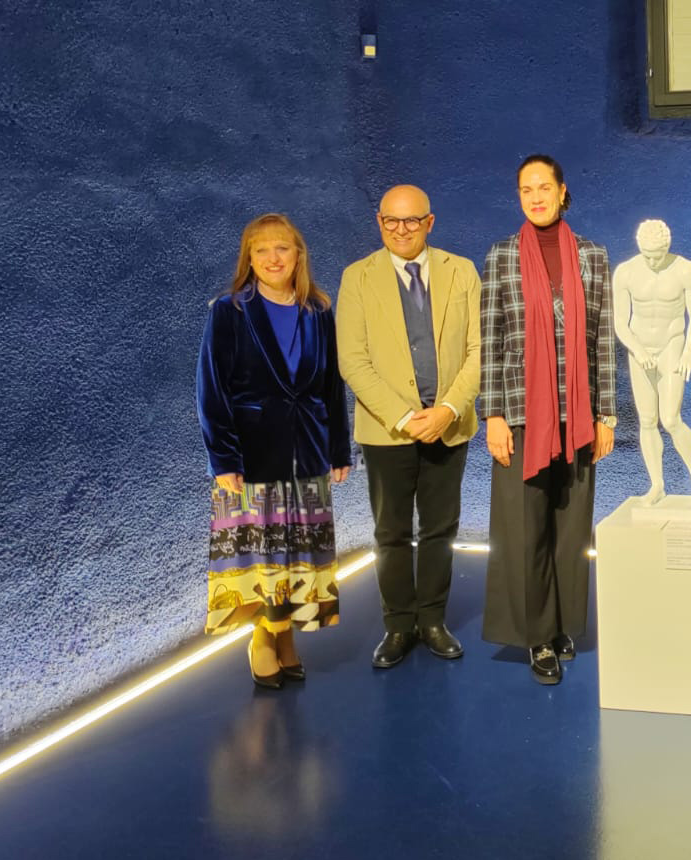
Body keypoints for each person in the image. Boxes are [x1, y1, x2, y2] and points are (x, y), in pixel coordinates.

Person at [197, 213, 352, 689]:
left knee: (296, 554)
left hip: (307, 450)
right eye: (260, 250)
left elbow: (331, 386)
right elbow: (211, 389)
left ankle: (284, 636)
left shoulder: (318, 311)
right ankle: (265, 637)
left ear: (298, 254)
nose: (272, 258)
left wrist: (338, 448)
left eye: (281, 247)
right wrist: (223, 459)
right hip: (251, 458)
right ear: (248, 259)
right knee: (263, 557)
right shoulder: (229, 311)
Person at [480, 155, 617, 685]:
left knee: (570, 526)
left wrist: (607, 414)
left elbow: (602, 340)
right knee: (525, 528)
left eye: (544, 187)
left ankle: (562, 625)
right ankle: (536, 635)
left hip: (577, 414)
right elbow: (491, 340)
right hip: (521, 412)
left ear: (562, 192)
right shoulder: (501, 256)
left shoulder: (593, 255)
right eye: (526, 189)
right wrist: (492, 414)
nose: (535, 197)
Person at [337, 185, 482, 670]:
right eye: (391, 221)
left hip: (448, 425)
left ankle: (433, 620)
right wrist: (403, 417)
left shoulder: (462, 271)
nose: (402, 230)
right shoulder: (357, 277)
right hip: (388, 431)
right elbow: (353, 360)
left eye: (412, 220)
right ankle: (399, 625)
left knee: (440, 529)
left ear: (430, 222)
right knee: (391, 532)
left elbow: (479, 350)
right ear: (379, 222)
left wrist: (447, 410)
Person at [612, 219, 691, 504]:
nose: (653, 262)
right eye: (647, 255)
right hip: (639, 347)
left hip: (671, 345)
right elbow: (620, 322)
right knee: (647, 420)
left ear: (667, 247)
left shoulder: (686, 270)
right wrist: (637, 350)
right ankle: (657, 484)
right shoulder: (626, 272)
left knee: (670, 419)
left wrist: (688, 351)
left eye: (658, 255)